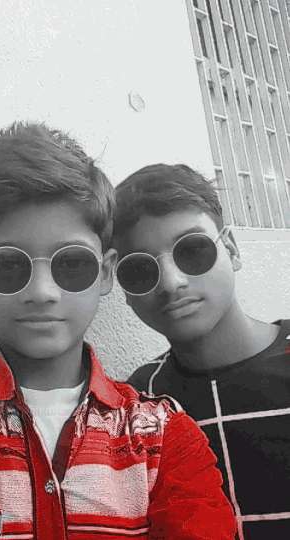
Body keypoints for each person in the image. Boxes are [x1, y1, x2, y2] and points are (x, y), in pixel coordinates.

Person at [0, 126, 236, 540]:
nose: (42, 292)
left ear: (105, 273)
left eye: (71, 263)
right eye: (9, 265)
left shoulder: (162, 438)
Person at [112, 163, 290, 540]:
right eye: (139, 269)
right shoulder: (137, 404)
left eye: (192, 250)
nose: (171, 282)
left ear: (231, 249)